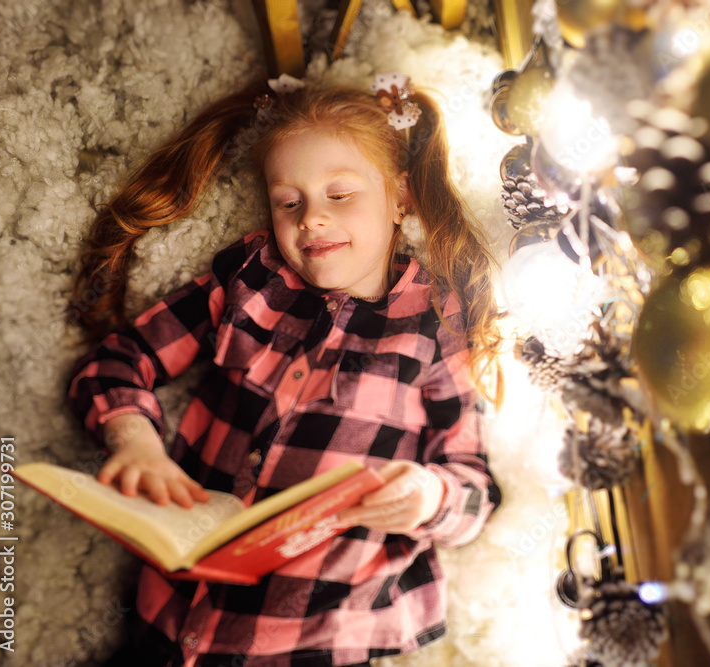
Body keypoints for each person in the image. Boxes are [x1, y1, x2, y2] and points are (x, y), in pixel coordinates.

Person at [66, 74, 503, 667]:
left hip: (319, 632)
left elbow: (474, 486)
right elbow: (117, 362)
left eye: (340, 195)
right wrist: (136, 441)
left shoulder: (433, 323)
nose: (312, 219)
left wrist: (427, 497)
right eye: (289, 202)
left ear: (399, 198)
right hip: (170, 615)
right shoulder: (251, 278)